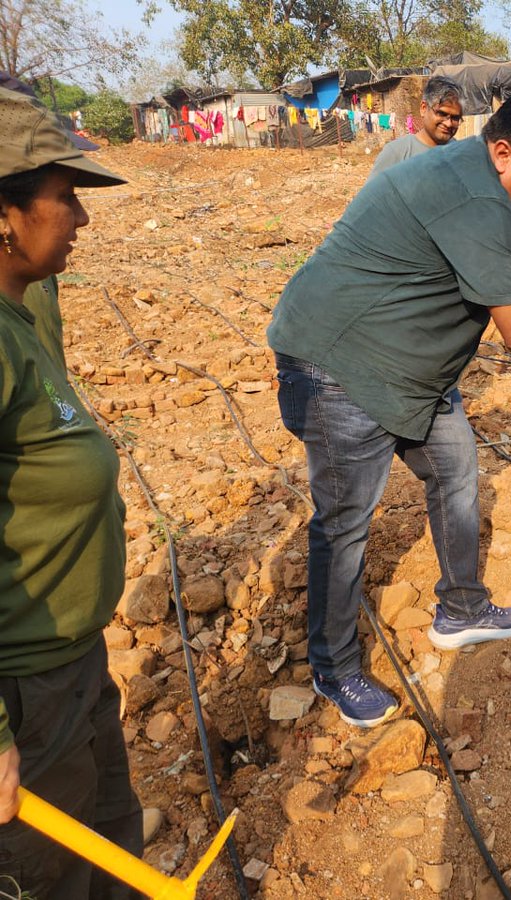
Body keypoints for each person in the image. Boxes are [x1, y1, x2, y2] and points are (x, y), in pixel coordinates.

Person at [268, 86, 511, 729]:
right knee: (344, 525)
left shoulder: (469, 174)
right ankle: (334, 670)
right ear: (503, 153)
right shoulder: (478, 197)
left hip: (405, 372)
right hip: (339, 365)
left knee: (456, 469)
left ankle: (463, 609)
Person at [0, 85, 143, 895]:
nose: (82, 219)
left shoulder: (24, 309)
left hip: (72, 661)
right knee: (50, 878)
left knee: (112, 849)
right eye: (65, 199)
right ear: (6, 213)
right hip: (25, 689)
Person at [369, 76, 464, 179]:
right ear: (423, 108)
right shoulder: (397, 153)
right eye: (441, 113)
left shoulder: (459, 153)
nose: (448, 123)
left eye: (455, 118)